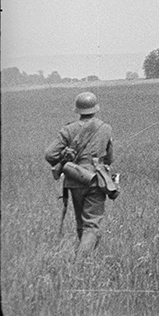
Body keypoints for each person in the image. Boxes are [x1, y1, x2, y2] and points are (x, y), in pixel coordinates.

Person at [44, 91, 115, 256]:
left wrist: (65, 157)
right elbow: (110, 158)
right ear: (95, 108)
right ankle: (80, 262)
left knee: (81, 222)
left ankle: (84, 259)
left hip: (75, 178)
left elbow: (50, 154)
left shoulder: (69, 129)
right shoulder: (105, 128)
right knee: (92, 225)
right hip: (96, 179)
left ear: (78, 110)